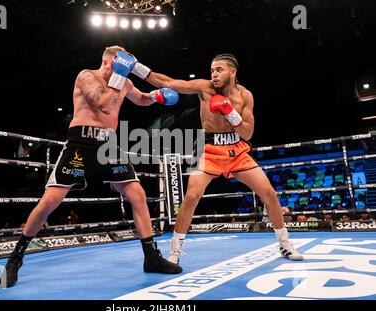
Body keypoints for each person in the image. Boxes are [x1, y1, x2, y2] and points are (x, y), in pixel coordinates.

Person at [0, 45, 182, 288]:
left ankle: (151, 257)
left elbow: (139, 99)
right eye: (119, 66)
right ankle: (15, 259)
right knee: (49, 201)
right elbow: (103, 103)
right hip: (81, 144)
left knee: (137, 194)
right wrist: (119, 75)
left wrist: (156, 96)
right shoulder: (86, 76)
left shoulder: (123, 82)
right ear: (109, 63)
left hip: (109, 145)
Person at [125, 52, 304, 264]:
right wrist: (135, 66)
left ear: (232, 72)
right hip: (206, 147)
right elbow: (168, 82)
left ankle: (285, 244)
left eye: (219, 70)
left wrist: (230, 112)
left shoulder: (245, 96)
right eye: (212, 70)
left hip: (236, 149)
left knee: (269, 194)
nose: (214, 75)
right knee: (191, 196)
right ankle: (174, 252)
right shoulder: (204, 88)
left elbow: (247, 133)